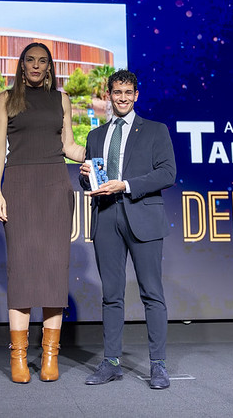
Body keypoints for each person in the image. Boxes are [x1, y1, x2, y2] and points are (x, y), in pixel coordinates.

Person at [0, 42, 85, 384]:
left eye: (42, 61)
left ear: (49, 67)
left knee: (53, 270)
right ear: (22, 64)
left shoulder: (61, 99)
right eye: (30, 60)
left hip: (55, 186)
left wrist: (102, 148)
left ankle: (48, 357)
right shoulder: (6, 99)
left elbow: (69, 146)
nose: (36, 65)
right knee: (22, 271)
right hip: (18, 186)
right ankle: (18, 357)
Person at [79, 69, 176, 390]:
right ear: (108, 94)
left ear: (136, 95)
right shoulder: (96, 135)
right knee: (111, 295)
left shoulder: (155, 130)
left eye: (127, 93)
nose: (122, 98)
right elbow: (93, 180)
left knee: (152, 293)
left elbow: (167, 173)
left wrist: (127, 184)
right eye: (116, 92)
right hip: (106, 218)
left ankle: (158, 365)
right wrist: (85, 175)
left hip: (143, 216)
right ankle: (111, 362)